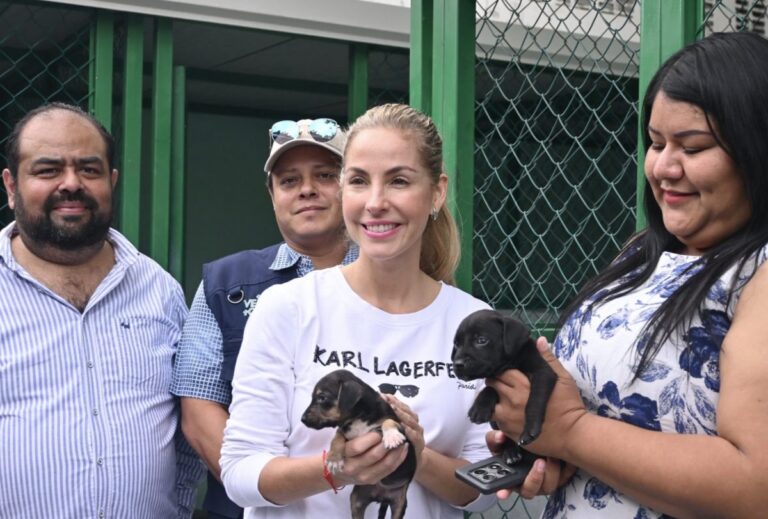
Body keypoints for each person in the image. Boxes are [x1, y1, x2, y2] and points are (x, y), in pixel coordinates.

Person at [486, 31, 768, 518]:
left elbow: (755, 485)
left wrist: (571, 431)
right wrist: (545, 444)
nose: (663, 167)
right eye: (656, 143)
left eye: (694, 147)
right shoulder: (644, 251)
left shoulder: (757, 271)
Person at [220, 103, 497, 517]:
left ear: (436, 192)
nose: (376, 202)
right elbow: (240, 473)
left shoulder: (473, 322)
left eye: (399, 181)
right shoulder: (289, 307)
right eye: (358, 181)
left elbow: (485, 487)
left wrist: (417, 455)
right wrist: (338, 470)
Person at [0, 102, 202, 517]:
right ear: (11, 186)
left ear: (111, 181)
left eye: (89, 170)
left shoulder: (158, 289)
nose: (71, 184)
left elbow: (188, 423)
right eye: (47, 170)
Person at [170, 117, 358, 519]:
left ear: (354, 186)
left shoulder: (397, 280)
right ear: (272, 195)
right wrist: (279, 488)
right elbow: (198, 410)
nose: (307, 189)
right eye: (289, 181)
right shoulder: (224, 283)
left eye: (325, 175)